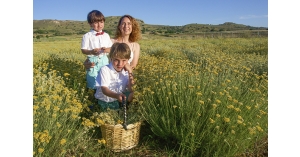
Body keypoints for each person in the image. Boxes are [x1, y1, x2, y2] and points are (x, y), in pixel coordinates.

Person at [94, 43, 134, 111]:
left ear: (128, 60)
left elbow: (131, 89)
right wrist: (116, 96)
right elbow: (104, 90)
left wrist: (130, 72)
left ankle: (127, 109)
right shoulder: (105, 69)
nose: (120, 64)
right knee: (113, 114)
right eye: (116, 60)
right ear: (111, 58)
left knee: (135, 94)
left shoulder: (126, 70)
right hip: (106, 100)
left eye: (124, 60)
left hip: (119, 98)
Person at [81, 10, 113, 90]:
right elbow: (83, 50)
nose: (99, 25)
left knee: (105, 78)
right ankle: (92, 95)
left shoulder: (106, 35)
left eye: (101, 22)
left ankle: (104, 96)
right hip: (92, 61)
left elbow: (111, 49)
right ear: (90, 24)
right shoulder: (87, 36)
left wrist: (106, 50)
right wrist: (91, 52)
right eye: (96, 23)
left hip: (104, 60)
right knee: (92, 79)